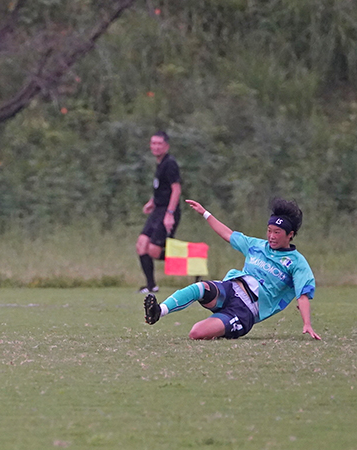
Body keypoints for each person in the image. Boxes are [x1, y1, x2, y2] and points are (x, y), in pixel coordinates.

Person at [144, 197, 321, 340]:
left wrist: (307, 324)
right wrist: (205, 213)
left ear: (290, 235)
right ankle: (159, 311)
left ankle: (223, 325)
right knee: (201, 287)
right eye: (269, 230)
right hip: (230, 289)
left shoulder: (297, 263)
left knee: (196, 333)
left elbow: (302, 295)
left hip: (246, 310)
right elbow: (228, 234)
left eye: (277, 232)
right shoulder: (257, 245)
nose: (271, 236)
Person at [137, 131, 182, 293]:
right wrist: (151, 202)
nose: (155, 147)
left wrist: (170, 213)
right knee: (141, 245)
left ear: (166, 146)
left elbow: (176, 190)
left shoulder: (170, 163)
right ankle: (151, 286)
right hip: (158, 209)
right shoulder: (160, 163)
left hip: (168, 211)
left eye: (159, 144)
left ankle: (191, 258)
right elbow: (162, 188)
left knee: (154, 251)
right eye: (153, 143)